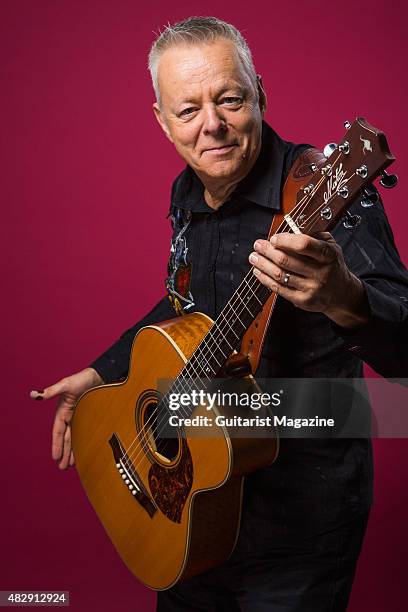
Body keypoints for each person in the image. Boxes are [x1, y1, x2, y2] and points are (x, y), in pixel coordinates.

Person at [31, 16, 408, 612]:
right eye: (188, 111)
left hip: (298, 531)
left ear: (259, 92)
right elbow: (185, 307)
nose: (212, 125)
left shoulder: (322, 193)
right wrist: (104, 371)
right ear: (162, 121)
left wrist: (343, 297)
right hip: (184, 514)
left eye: (230, 99)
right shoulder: (186, 194)